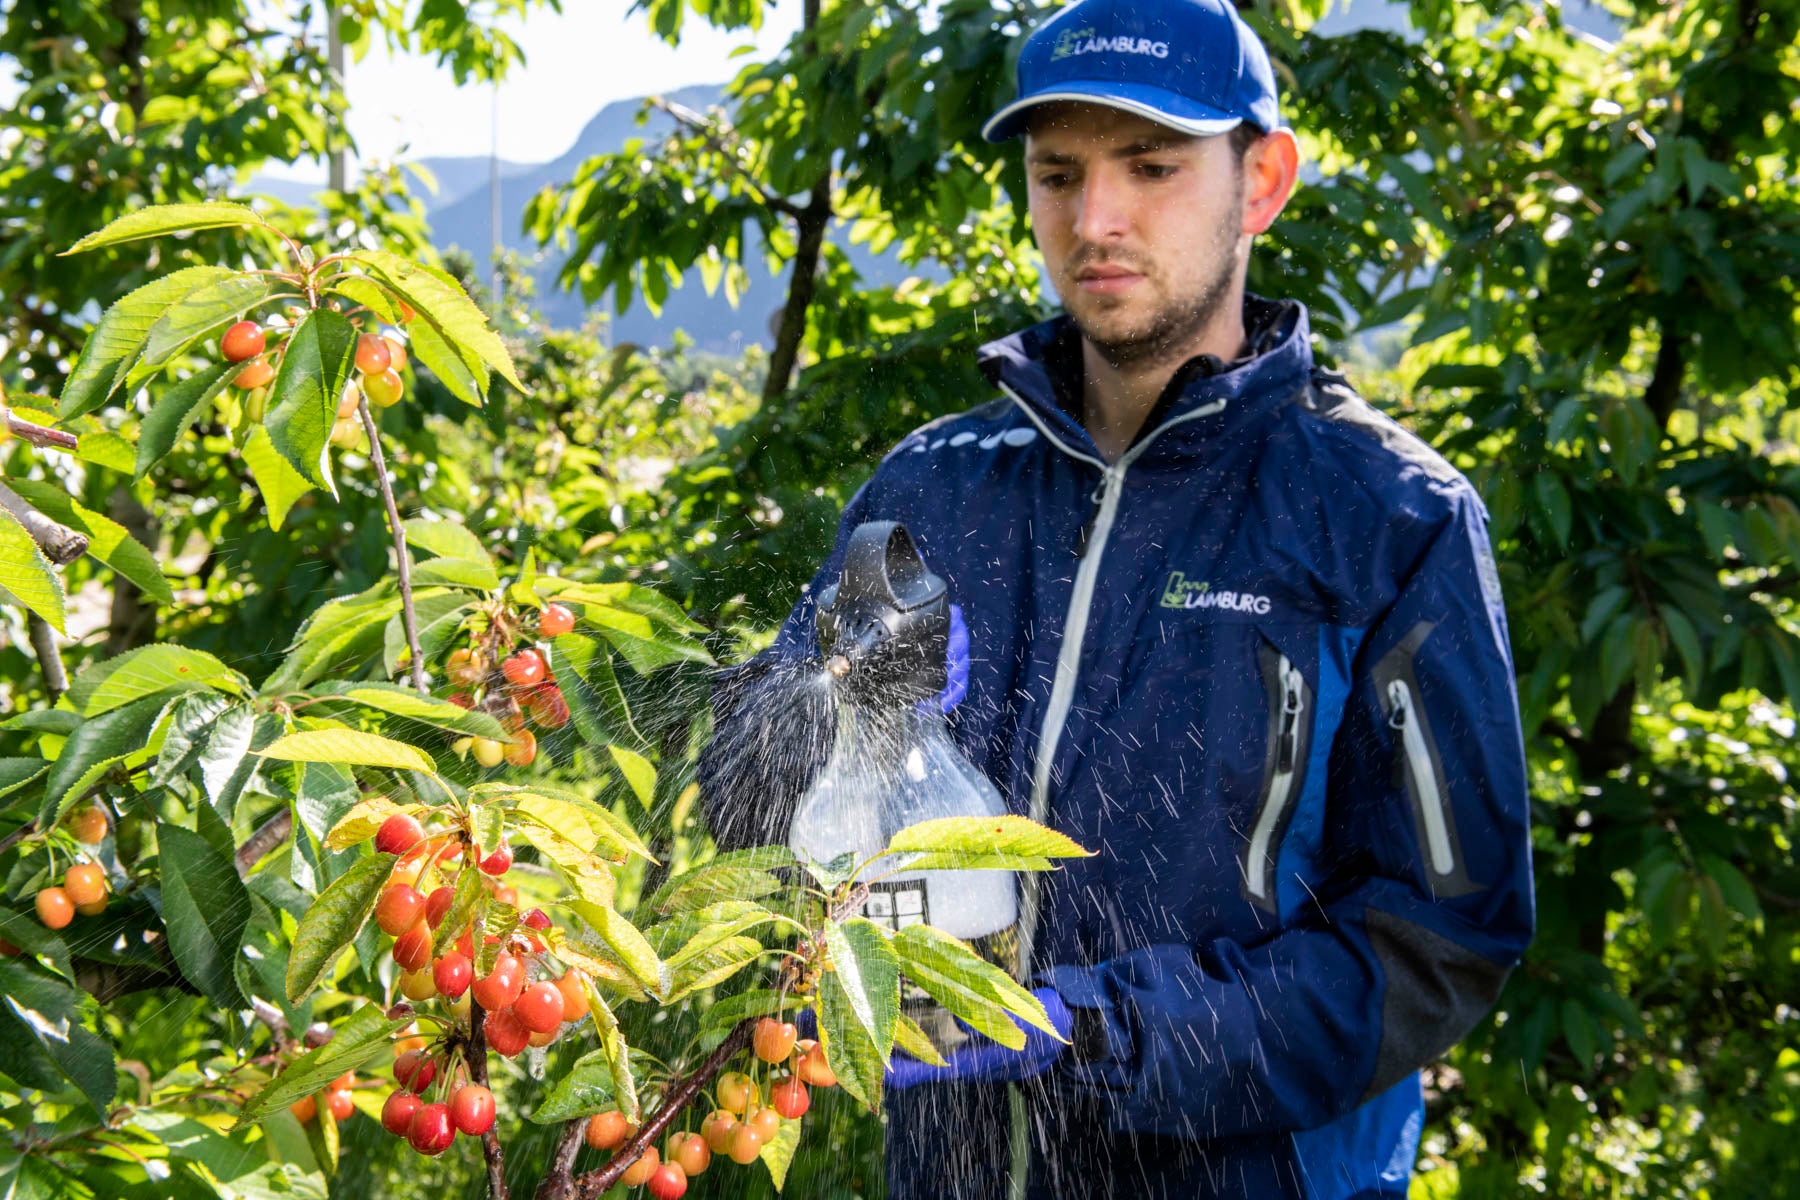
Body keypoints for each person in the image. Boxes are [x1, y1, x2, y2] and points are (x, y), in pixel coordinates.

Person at [698, 0, 1535, 1195]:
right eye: (1058, 174)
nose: (1096, 218)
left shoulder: (1384, 518)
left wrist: (1098, 1035)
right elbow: (759, 828)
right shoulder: (935, 486)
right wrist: (795, 709)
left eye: (1151, 167)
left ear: (1262, 182)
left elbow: (1437, 946)